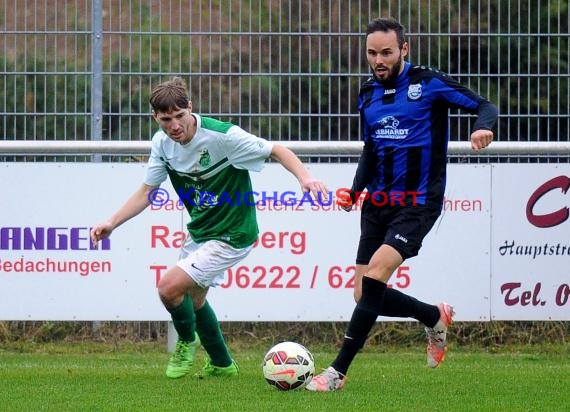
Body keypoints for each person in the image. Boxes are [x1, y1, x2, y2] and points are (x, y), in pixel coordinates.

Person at [90, 77, 328, 380]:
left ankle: (187, 341)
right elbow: (148, 191)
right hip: (200, 231)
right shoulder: (162, 144)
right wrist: (112, 222)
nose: (174, 125)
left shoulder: (222, 135)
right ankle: (222, 364)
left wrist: (304, 178)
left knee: (169, 288)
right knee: (196, 299)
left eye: (180, 116)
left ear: (190, 108)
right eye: (166, 119)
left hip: (233, 233)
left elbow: (277, 149)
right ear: (156, 118)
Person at [306, 17, 497, 392]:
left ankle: (336, 372)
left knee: (375, 276)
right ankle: (432, 315)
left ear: (404, 50)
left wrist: (481, 126)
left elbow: (484, 105)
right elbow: (370, 149)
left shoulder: (428, 83)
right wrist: (355, 190)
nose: (379, 60)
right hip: (377, 203)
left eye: (387, 53)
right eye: (372, 53)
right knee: (364, 293)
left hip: (418, 203)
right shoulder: (366, 93)